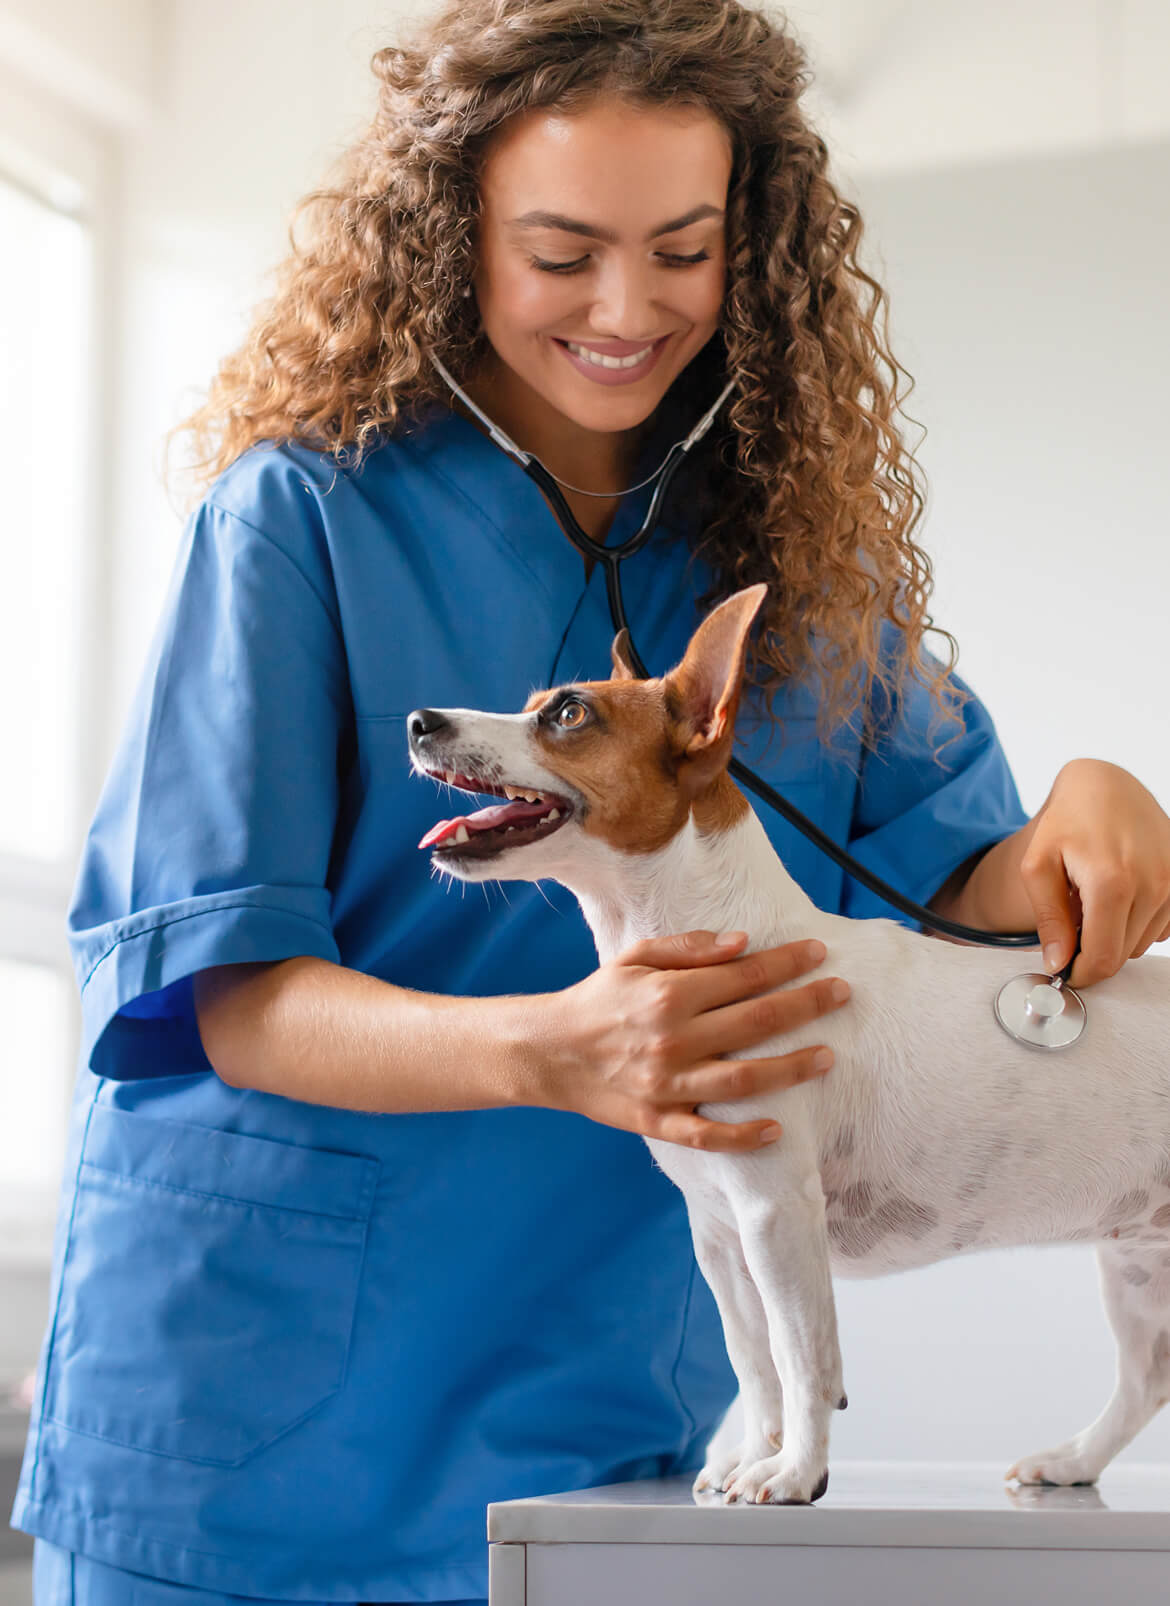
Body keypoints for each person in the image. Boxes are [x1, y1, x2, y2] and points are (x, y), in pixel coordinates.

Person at [14, 0, 1170, 1602]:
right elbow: (221, 988)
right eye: (560, 253)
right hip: (255, 1414)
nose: (627, 309)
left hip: (598, 1392)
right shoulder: (298, 518)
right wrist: (556, 1047)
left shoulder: (792, 561)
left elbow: (956, 887)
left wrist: (1088, 805)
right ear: (454, 240)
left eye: (683, 250)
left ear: (750, 247)